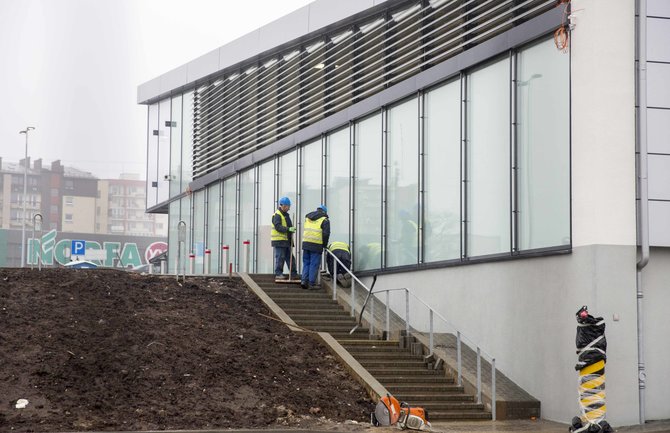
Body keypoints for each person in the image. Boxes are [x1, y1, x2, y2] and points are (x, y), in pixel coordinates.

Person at [301, 204, 330, 290]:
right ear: (324, 212)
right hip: (316, 245)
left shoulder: (308, 217)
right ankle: (311, 283)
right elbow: (326, 234)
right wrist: (324, 245)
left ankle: (303, 281)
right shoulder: (324, 220)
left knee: (306, 263)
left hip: (306, 243)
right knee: (314, 264)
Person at [271, 196, 299, 281]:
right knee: (280, 257)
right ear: (283, 206)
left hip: (286, 241)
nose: (289, 208)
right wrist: (288, 229)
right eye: (288, 206)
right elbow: (278, 226)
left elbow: (288, 226)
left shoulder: (286, 215)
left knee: (290, 258)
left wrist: (291, 229)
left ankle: (293, 273)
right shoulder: (277, 215)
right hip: (279, 241)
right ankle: (278, 273)